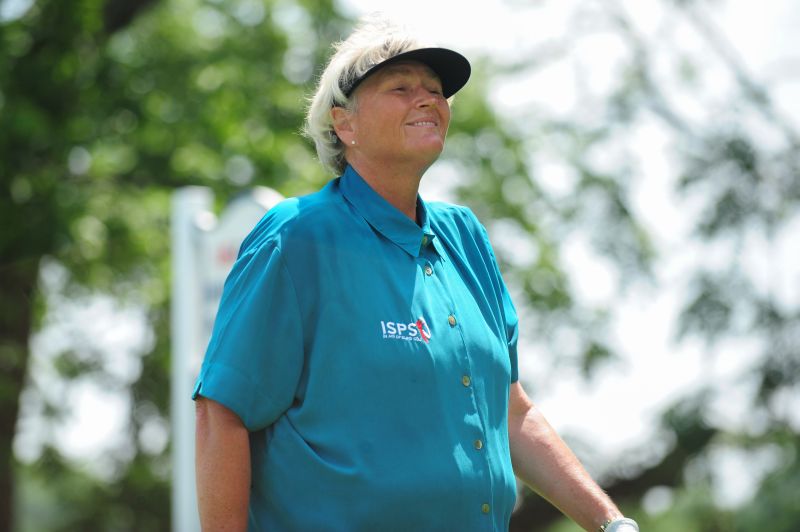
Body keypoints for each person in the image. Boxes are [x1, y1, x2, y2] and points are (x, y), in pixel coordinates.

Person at [193, 15, 640, 532]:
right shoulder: (295, 237)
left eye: (435, 90)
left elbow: (511, 413)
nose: (427, 99)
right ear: (345, 124)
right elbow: (221, 414)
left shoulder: (465, 236)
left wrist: (611, 525)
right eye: (401, 87)